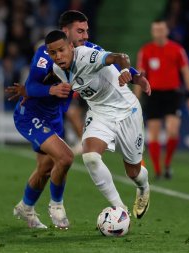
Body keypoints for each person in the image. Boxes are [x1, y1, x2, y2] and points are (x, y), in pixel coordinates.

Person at [6, 10, 149, 229]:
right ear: (65, 32)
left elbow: (113, 59)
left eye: (86, 31)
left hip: (55, 116)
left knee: (45, 168)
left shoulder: (86, 51)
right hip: (33, 115)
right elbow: (31, 86)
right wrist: (51, 89)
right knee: (65, 157)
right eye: (79, 31)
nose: (85, 35)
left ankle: (26, 207)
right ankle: (57, 206)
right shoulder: (46, 55)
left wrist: (136, 75)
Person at [45, 30, 151, 219]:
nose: (58, 56)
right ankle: (121, 210)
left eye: (61, 50)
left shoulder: (87, 55)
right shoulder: (57, 70)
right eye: (53, 53)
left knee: (133, 172)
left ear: (71, 46)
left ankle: (143, 188)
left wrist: (127, 72)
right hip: (99, 113)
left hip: (127, 111)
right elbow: (50, 82)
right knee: (91, 157)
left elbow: (120, 58)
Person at [135, 19, 189, 180]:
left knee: (172, 130)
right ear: (152, 32)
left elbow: (186, 71)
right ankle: (157, 170)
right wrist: (135, 98)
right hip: (153, 94)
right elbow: (140, 76)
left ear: (166, 31)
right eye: (156, 30)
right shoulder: (146, 50)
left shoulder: (177, 49)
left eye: (161, 29)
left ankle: (168, 164)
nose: (159, 32)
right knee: (154, 133)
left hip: (172, 94)